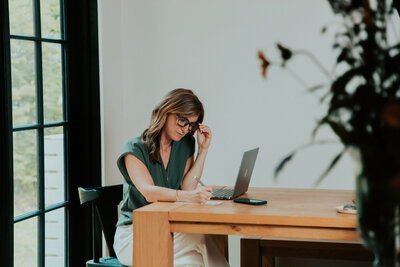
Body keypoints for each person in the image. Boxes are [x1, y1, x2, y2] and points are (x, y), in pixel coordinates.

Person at [113, 88, 230, 267]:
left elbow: (188, 186)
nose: (185, 129)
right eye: (182, 121)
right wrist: (187, 197)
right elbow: (149, 193)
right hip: (134, 235)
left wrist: (203, 150)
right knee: (199, 238)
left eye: (191, 125)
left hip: (168, 230)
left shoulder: (186, 144)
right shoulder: (134, 148)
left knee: (193, 261)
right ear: (166, 111)